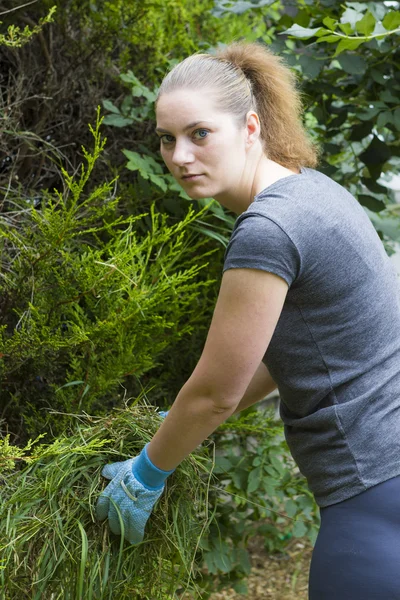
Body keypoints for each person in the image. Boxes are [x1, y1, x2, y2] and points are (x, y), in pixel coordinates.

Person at [96, 42, 400, 599]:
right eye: (167, 139)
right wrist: (181, 429)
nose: (180, 155)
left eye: (200, 133)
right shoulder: (314, 191)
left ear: (250, 126)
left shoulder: (269, 228)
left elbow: (214, 390)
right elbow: (291, 352)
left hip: (372, 494)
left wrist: (145, 473)